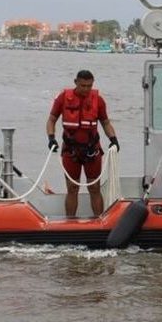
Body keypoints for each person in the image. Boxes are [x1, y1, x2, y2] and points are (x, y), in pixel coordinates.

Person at [46, 70, 119, 218]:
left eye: (89, 86)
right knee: (72, 188)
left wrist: (114, 140)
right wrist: (51, 138)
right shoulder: (63, 98)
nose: (86, 89)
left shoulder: (98, 100)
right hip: (70, 151)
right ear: (76, 82)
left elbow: (105, 123)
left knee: (94, 187)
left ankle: (100, 221)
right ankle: (70, 221)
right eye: (83, 85)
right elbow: (51, 120)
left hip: (92, 151)